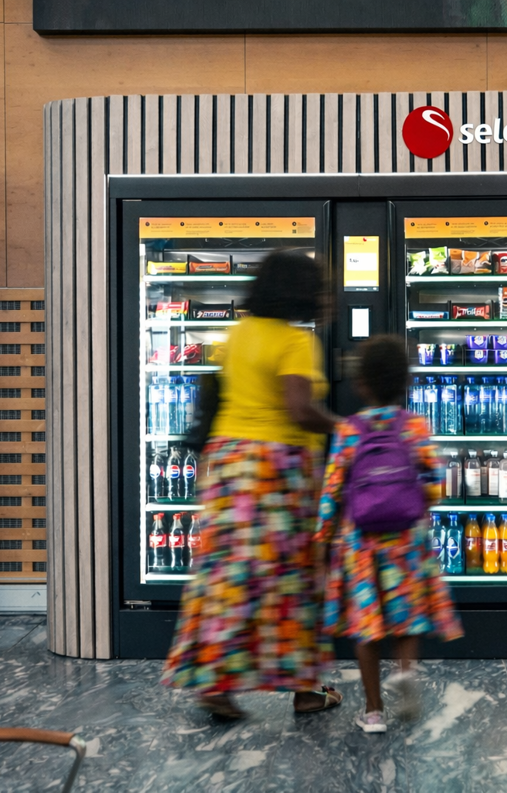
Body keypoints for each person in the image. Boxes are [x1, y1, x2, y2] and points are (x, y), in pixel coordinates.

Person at [162, 249, 343, 720]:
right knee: (294, 580)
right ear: (300, 292)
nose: (325, 298)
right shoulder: (295, 342)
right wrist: (348, 428)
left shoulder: (239, 333)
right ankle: (305, 688)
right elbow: (299, 409)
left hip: (228, 466)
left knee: (228, 579)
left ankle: (215, 685)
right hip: (276, 470)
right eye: (319, 288)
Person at [315, 335, 463, 734]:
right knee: (406, 617)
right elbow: (434, 484)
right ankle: (405, 673)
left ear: (361, 383)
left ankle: (374, 711)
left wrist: (324, 536)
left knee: (367, 625)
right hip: (406, 541)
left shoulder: (349, 430)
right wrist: (419, 509)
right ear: (405, 383)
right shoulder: (415, 426)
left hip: (360, 543)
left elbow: (331, 491)